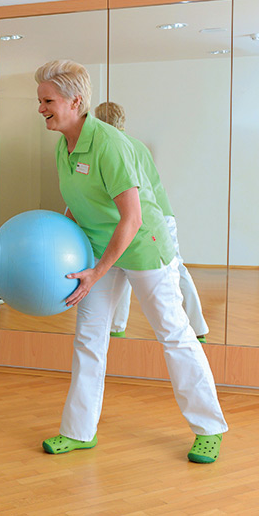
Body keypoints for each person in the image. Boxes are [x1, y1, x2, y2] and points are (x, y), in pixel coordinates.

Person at [34, 60, 227, 463]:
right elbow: (76, 203)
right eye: (40, 101)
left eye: (48, 101)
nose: (41, 109)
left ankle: (209, 428)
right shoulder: (62, 146)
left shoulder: (109, 145)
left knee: (174, 335)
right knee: (89, 338)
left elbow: (133, 218)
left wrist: (96, 273)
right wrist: (62, 246)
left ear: (76, 101)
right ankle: (79, 430)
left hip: (141, 246)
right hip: (98, 250)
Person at [94, 102, 208, 344]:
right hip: (137, 215)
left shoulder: (118, 146)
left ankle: (196, 328)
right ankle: (116, 326)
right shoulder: (130, 144)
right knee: (120, 264)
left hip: (155, 217)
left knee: (174, 268)